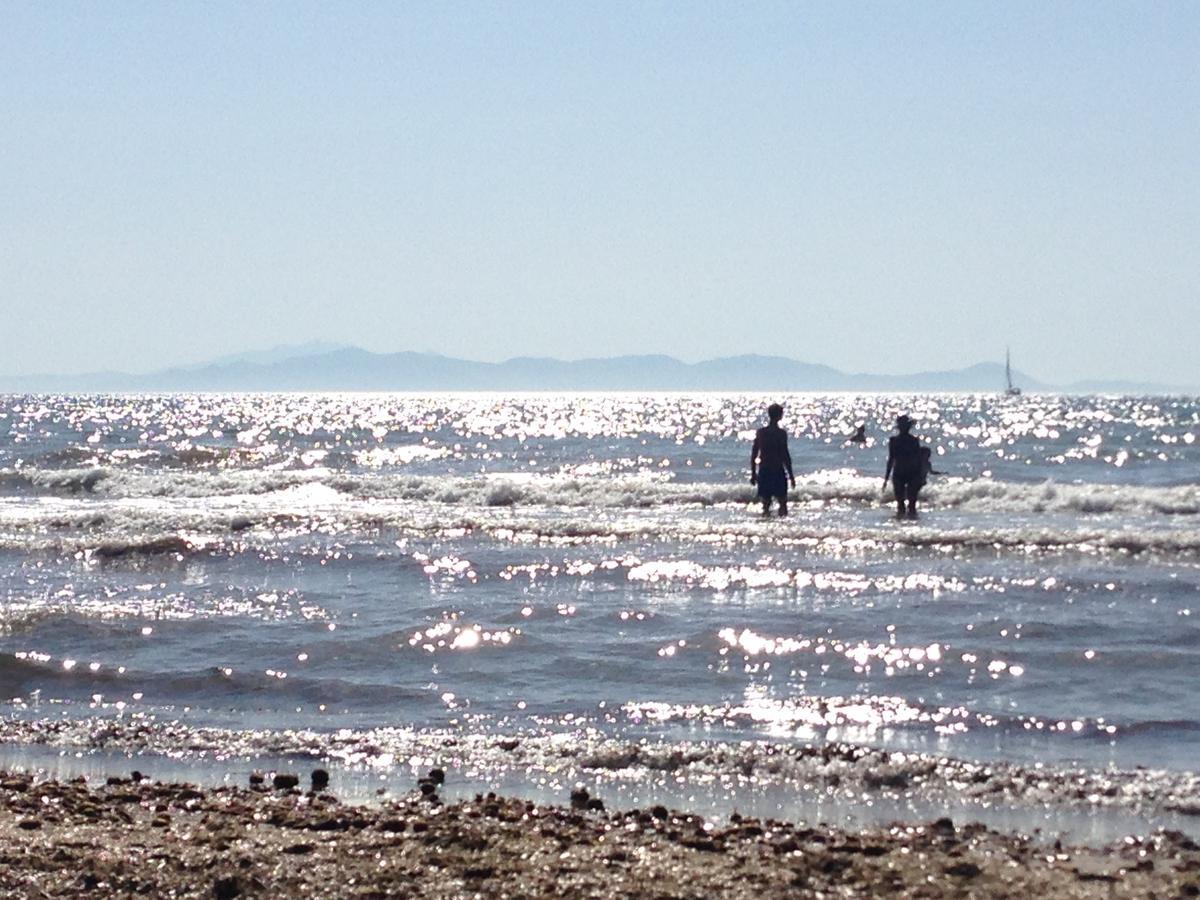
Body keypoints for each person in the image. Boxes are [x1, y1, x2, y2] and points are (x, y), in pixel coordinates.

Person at [750, 403, 796, 517]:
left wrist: (753, 473)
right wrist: (791, 475)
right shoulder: (781, 434)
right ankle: (781, 529)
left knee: (766, 504)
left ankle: (767, 529)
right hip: (777, 470)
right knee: (782, 503)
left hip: (764, 471)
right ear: (780, 416)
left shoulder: (761, 433)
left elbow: (754, 454)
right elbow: (785, 455)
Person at [883, 414, 922, 519]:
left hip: (910, 473)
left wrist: (920, 475)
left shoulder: (912, 441)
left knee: (911, 503)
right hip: (901, 473)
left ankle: (909, 527)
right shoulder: (896, 441)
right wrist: (886, 478)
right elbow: (891, 459)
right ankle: (905, 527)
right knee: (902, 504)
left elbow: (919, 459)